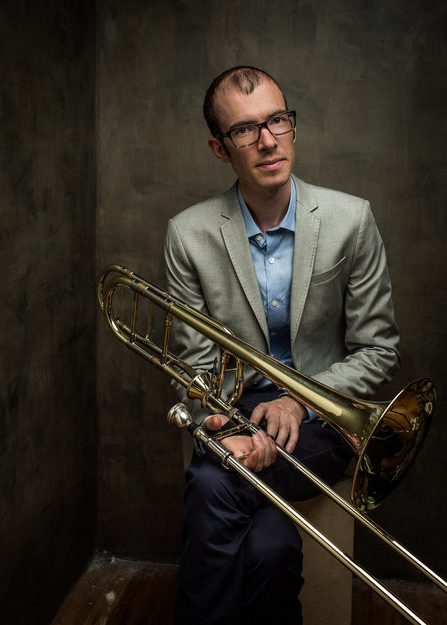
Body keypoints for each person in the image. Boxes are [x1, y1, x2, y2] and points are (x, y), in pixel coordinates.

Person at [164, 66, 400, 625]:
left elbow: (378, 350)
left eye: (277, 120)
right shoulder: (188, 234)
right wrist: (224, 423)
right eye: (245, 130)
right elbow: (192, 368)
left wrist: (297, 402)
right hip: (234, 413)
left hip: (324, 418)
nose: (268, 140)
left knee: (211, 482)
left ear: (292, 126)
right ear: (220, 148)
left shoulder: (351, 219)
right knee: (270, 548)